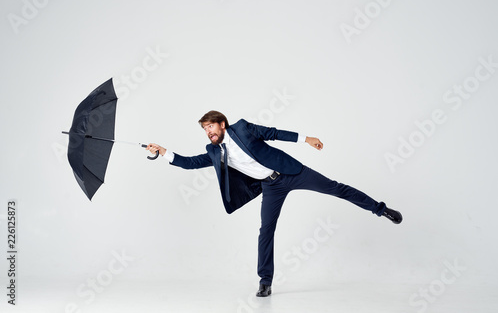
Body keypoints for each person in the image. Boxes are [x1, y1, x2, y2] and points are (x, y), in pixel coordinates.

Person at [147, 110, 402, 297]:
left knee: (335, 188)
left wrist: (306, 138)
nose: (208, 132)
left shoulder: (243, 128)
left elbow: (274, 133)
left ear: (222, 124)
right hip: (270, 186)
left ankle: (381, 209)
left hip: (291, 172)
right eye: (204, 129)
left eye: (210, 127)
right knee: (265, 230)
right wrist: (163, 152)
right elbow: (189, 162)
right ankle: (265, 281)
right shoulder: (214, 151)